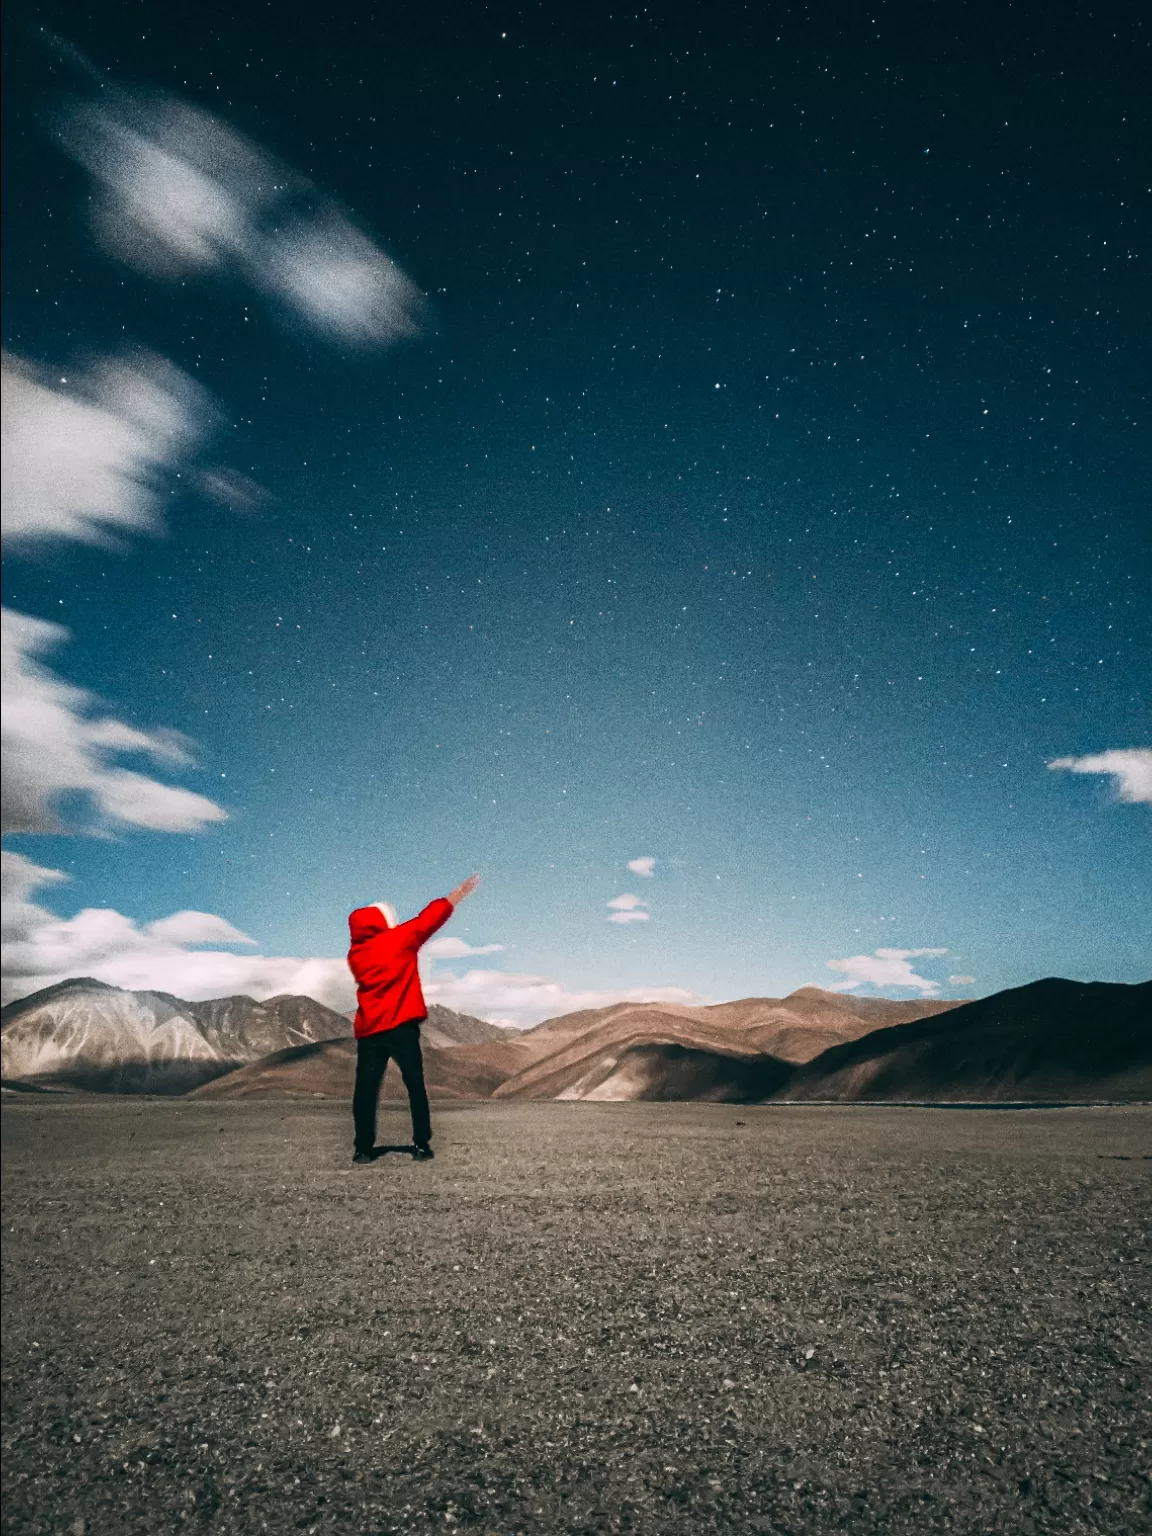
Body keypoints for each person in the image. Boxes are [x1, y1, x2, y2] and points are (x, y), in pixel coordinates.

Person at [347, 873, 480, 1164]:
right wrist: (456, 894)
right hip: (401, 1027)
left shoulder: (355, 955)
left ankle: (363, 1149)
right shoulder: (400, 940)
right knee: (415, 1086)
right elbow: (428, 919)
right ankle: (421, 1144)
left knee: (366, 1090)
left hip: (370, 1031)